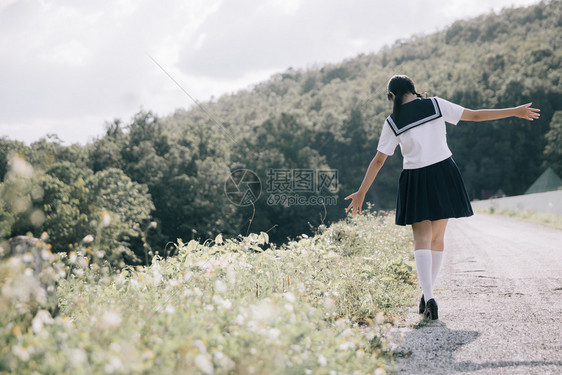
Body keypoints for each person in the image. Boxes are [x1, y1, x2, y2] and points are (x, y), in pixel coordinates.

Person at [344, 75, 540, 320]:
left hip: (415, 178)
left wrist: (361, 193)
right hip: (443, 172)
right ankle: (428, 296)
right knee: (437, 238)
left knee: (421, 239)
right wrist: (515, 111)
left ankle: (429, 297)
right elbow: (476, 115)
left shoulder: (393, 122)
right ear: (414, 90)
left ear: (392, 96)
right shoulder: (436, 105)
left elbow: (379, 160)